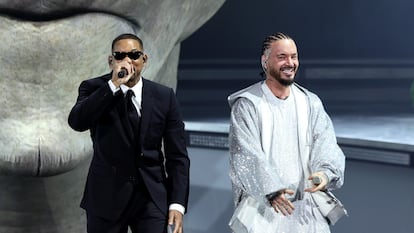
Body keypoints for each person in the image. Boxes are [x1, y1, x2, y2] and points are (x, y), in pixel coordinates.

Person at [68, 33, 190, 233]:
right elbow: (77, 122)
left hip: (151, 196)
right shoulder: (94, 89)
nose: (127, 61)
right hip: (106, 197)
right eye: (120, 56)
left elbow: (177, 156)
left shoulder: (164, 96)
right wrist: (113, 85)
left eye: (134, 55)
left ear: (144, 59)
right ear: (111, 60)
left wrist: (177, 204)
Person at [227, 32, 345, 233]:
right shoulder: (248, 105)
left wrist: (325, 174)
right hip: (265, 212)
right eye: (282, 57)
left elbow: (325, 143)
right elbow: (245, 153)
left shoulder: (310, 102)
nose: (289, 62)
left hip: (307, 212)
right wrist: (271, 189)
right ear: (265, 61)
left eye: (294, 56)